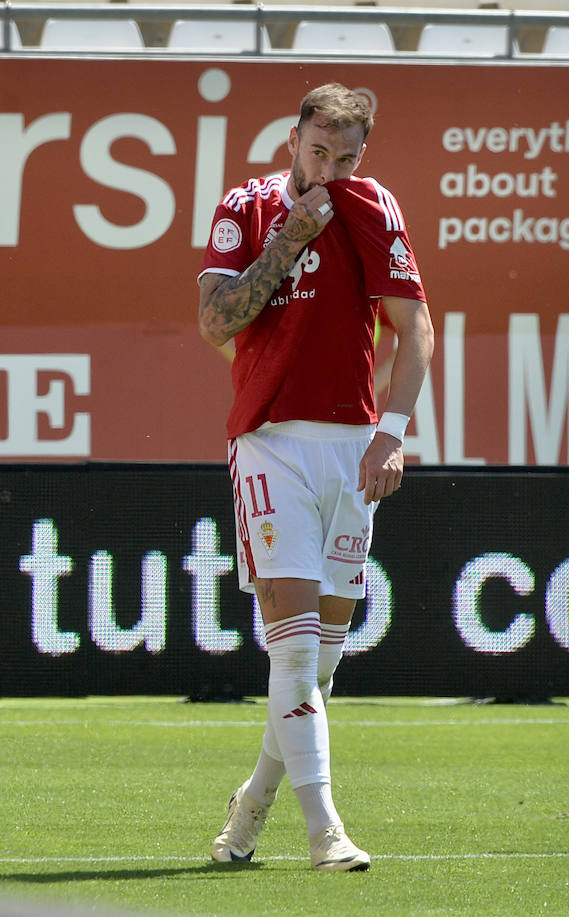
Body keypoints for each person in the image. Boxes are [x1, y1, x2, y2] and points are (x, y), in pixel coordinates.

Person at [197, 83, 434, 871]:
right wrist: (287, 242)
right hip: (269, 441)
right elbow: (216, 321)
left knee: (322, 661)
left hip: (351, 448)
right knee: (293, 655)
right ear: (293, 138)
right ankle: (325, 829)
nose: (328, 168)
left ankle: (254, 799)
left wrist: (391, 435)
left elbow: (415, 327)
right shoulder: (246, 206)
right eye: (317, 150)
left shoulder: (371, 206)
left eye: (346, 156)